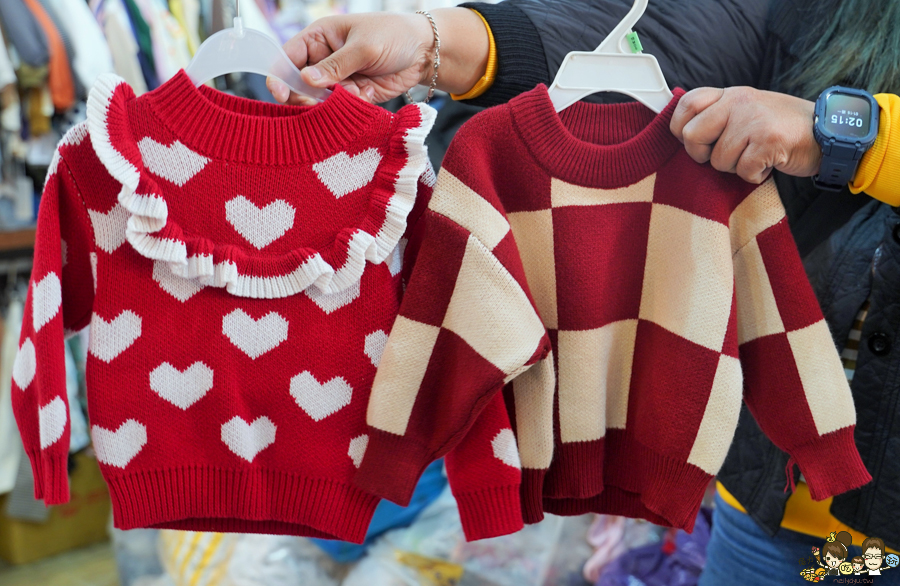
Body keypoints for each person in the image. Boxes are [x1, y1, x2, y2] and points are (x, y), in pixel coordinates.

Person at [268, 1, 900, 583]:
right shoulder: (490, 153)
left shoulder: (719, 180)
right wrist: (434, 39)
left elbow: (776, 320)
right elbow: (676, 26)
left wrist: (858, 136)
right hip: (774, 508)